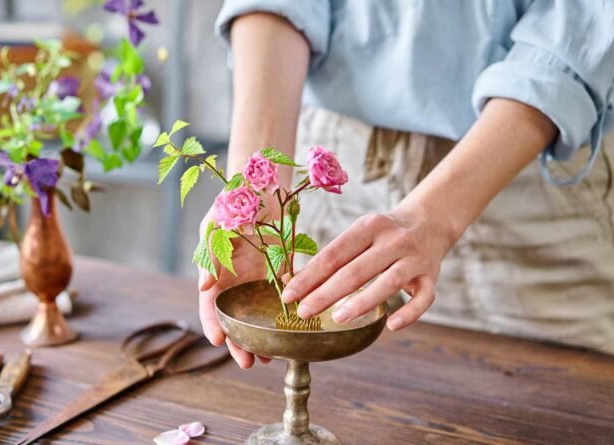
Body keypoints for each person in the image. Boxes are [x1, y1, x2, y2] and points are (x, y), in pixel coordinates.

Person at [198, 0, 614, 368]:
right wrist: (255, 189)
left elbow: (587, 22)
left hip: (528, 169)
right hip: (338, 166)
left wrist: (434, 217)